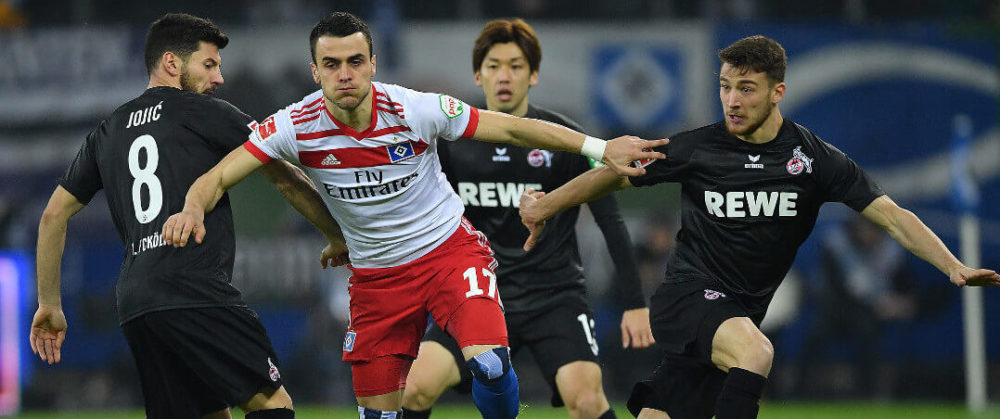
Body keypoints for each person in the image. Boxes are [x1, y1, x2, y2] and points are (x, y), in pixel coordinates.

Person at [160, 11, 666, 419]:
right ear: (315, 72)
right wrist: (192, 204)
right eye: (331, 65)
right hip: (377, 279)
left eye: (355, 61)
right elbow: (222, 174)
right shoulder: (294, 124)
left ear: (374, 64)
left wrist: (600, 147)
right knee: (383, 414)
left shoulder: (414, 109)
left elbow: (513, 129)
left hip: (449, 254)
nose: (345, 74)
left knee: (489, 364)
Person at [519, 35, 1000, 419]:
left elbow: (893, 217)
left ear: (777, 92)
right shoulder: (698, 148)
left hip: (738, 313)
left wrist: (953, 266)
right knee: (755, 352)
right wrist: (545, 207)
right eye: (725, 86)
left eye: (746, 88)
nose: (731, 99)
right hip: (689, 297)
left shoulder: (815, 160)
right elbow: (613, 176)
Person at [29, 13, 344, 419]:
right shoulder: (204, 112)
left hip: (138, 302)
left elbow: (53, 214)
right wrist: (336, 235)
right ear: (172, 64)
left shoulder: (106, 132)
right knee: (272, 405)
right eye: (209, 65)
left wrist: (50, 304)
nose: (219, 79)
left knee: (209, 413)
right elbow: (286, 179)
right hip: (194, 288)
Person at [401, 18, 654, 419]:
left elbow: (609, 218)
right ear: (477, 74)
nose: (505, 76)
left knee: (587, 401)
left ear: (533, 74)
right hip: (475, 294)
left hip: (554, 295)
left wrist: (635, 302)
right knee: (414, 388)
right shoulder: (452, 143)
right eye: (494, 65)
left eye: (516, 66)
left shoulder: (564, 138)